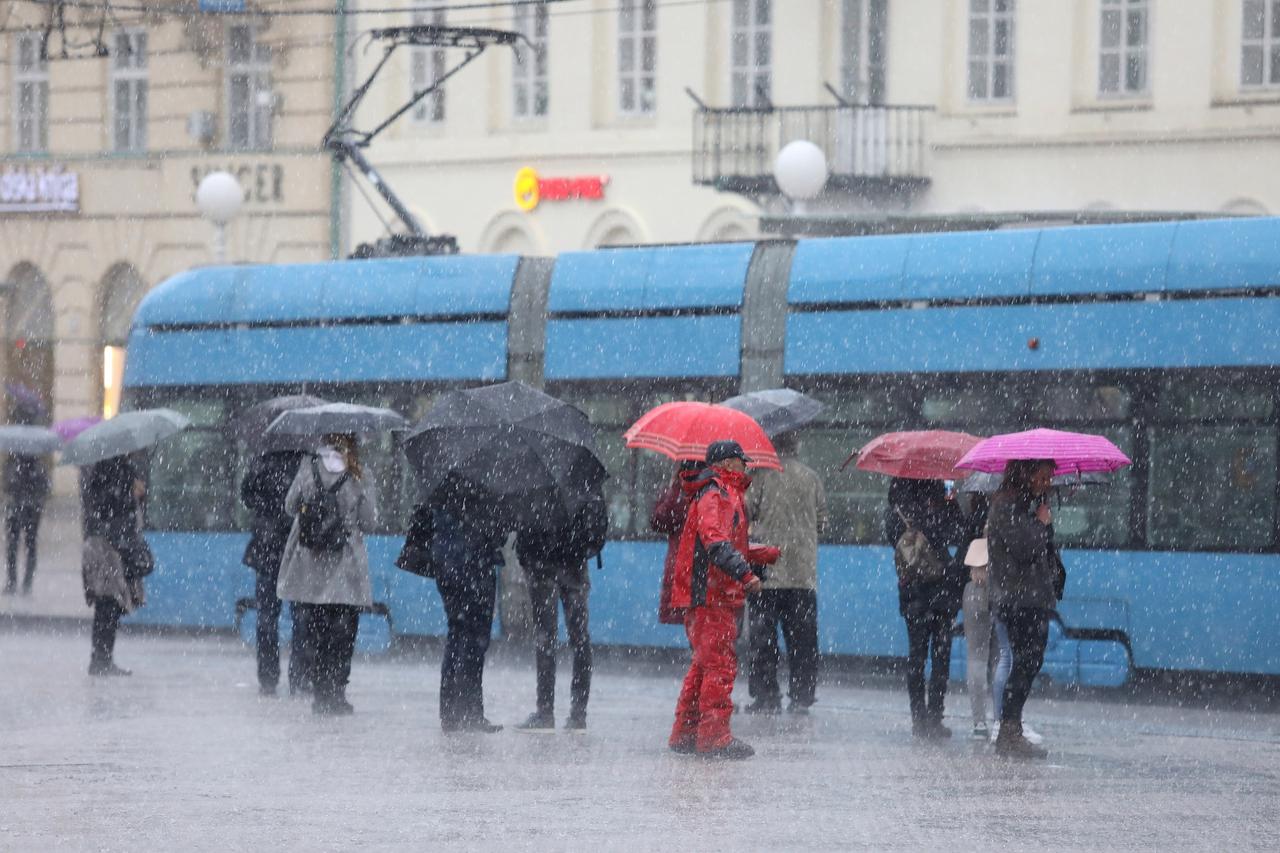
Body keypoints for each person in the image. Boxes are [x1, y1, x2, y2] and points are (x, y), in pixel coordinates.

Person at [668, 441, 778, 760]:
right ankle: (714, 737)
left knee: (703, 665)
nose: (746, 467)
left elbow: (723, 542)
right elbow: (715, 543)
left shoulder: (721, 493)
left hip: (711, 593)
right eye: (742, 462)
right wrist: (747, 574)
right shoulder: (717, 494)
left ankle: (686, 733)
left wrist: (763, 553)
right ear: (729, 463)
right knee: (720, 665)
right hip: (711, 595)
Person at [276, 434, 376, 716]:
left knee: (317, 632)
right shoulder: (359, 472)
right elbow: (369, 519)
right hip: (346, 565)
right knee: (343, 634)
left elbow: (289, 506)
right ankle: (337, 693)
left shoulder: (308, 467)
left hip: (311, 564)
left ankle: (320, 692)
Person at [744, 431, 827, 715]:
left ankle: (767, 696)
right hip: (802, 574)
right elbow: (822, 523)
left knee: (763, 640)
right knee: (803, 641)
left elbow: (745, 512)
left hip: (766, 573)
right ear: (796, 445)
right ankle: (802, 696)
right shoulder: (811, 477)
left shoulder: (760, 476)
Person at [986, 458, 1057, 759]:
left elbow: (1042, 546)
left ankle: (1011, 728)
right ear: (1025, 474)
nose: (1047, 483)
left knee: (1031, 661)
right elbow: (1025, 548)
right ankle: (1009, 729)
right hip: (1017, 598)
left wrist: (1042, 522)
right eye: (1042, 477)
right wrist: (1040, 523)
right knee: (1024, 662)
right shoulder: (1006, 505)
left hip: (1032, 597)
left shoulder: (1027, 504)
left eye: (1049, 478)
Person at [885, 477, 965, 738]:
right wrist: (950, 504)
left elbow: (893, 540)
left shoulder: (898, 504)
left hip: (912, 590)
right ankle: (934, 717)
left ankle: (918, 719)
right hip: (941, 587)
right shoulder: (941, 501)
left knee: (916, 657)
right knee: (941, 657)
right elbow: (957, 533)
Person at [429, 476, 507, 733]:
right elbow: (497, 532)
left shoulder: (442, 478)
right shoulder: (485, 480)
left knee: (457, 633)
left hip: (446, 565)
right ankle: (471, 712)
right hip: (476, 567)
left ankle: (450, 713)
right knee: (475, 640)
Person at [240, 448, 312, 696]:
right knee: (301, 616)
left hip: (266, 547)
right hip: (296, 549)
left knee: (267, 616)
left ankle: (268, 678)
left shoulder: (261, 461)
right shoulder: (307, 463)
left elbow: (247, 498)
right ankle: (300, 677)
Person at [513, 516, 595, 733]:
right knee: (580, 638)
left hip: (541, 564)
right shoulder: (580, 484)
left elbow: (521, 524)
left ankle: (545, 712)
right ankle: (578, 715)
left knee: (545, 637)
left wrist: (526, 554)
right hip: (575, 564)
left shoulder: (534, 485)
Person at [81, 453, 148, 677]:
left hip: (105, 545)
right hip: (105, 547)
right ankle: (101, 659)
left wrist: (136, 495)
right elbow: (111, 507)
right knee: (108, 603)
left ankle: (102, 658)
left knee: (109, 604)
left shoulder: (108, 469)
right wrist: (133, 495)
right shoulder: (112, 470)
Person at [651, 460, 703, 626]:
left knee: (695, 624)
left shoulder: (680, 493)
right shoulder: (713, 490)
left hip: (683, 566)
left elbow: (658, 521)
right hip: (707, 570)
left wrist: (673, 488)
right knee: (702, 623)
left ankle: (697, 650)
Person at [959, 493, 993, 740]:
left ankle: (979, 721)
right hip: (999, 589)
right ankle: (1004, 718)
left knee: (976, 657)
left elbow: (960, 550)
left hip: (973, 589)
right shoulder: (1009, 509)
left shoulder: (973, 514)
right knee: (1002, 657)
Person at [3, 452, 49, 596]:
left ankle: (20, 583)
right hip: (25, 510)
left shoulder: (14, 463)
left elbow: (6, 485)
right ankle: (19, 582)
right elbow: (46, 487)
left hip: (22, 509)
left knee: (20, 545)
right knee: (21, 546)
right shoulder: (38, 465)